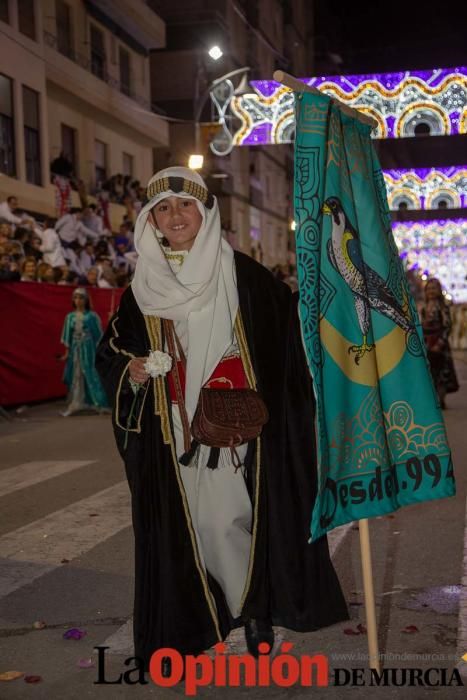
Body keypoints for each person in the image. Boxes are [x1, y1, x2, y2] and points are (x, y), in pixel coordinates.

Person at [95, 167, 347, 672]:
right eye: (162, 209)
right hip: (171, 429)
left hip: (237, 425)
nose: (175, 216)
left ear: (206, 212)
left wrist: (330, 295)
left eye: (184, 205)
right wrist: (135, 370)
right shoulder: (140, 287)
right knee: (195, 527)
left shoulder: (245, 276)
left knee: (226, 518)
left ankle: (252, 610)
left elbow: (288, 335)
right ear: (151, 221)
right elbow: (112, 355)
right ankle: (222, 609)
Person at [60, 288, 109, 416]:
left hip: (89, 350)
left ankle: (98, 402)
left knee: (91, 373)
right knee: (76, 373)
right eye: (75, 298)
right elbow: (67, 336)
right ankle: (77, 401)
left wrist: (100, 352)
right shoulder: (69, 317)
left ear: (86, 300)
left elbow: (98, 335)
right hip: (76, 350)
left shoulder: (92, 316)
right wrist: (67, 352)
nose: (78, 301)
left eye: (81, 298)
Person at [421, 278, 459, 408]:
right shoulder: (424, 308)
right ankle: (432, 398)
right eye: (429, 289)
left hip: (440, 344)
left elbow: (447, 326)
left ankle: (441, 399)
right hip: (427, 343)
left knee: (442, 373)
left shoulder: (443, 307)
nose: (431, 291)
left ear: (439, 291)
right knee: (430, 372)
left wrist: (440, 343)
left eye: (434, 288)